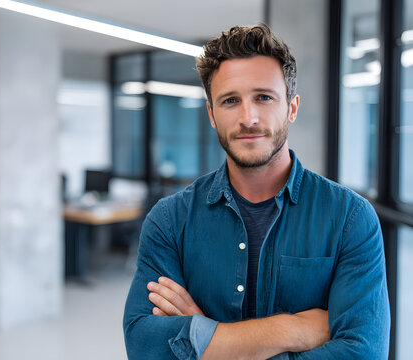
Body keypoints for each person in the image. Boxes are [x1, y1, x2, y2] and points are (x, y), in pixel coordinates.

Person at [123, 23, 390, 359]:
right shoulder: (170, 220)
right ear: (211, 114)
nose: (248, 117)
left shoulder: (350, 219)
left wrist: (203, 336)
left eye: (263, 97)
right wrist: (289, 330)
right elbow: (143, 344)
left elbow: (363, 353)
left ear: (292, 108)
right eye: (230, 100)